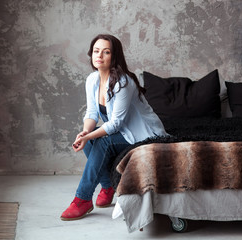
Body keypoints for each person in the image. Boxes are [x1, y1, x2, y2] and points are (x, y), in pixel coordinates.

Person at [60, 34, 168, 221]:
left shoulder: (124, 83)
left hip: (143, 134)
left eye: (106, 51)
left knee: (101, 143)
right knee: (88, 141)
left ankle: (82, 199)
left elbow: (116, 123)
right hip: (122, 131)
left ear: (114, 56)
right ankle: (107, 186)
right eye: (96, 51)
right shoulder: (92, 80)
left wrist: (90, 136)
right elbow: (92, 113)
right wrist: (85, 133)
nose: (99, 55)